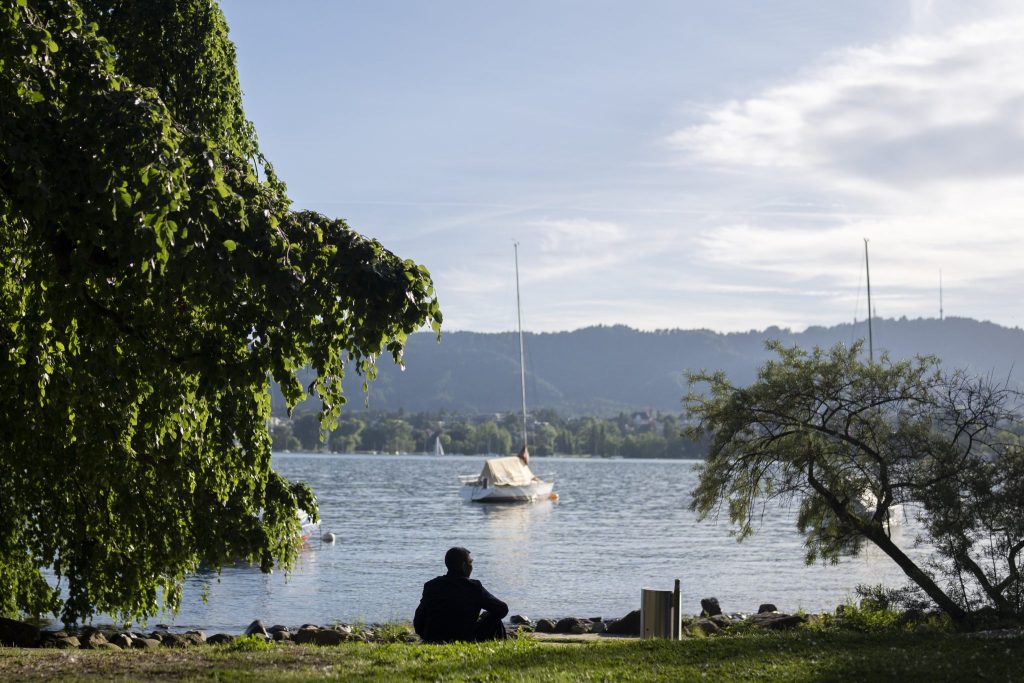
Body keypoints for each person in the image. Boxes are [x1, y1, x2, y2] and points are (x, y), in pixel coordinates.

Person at [413, 547, 508, 643]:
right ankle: (501, 649)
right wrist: (485, 618)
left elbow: (418, 620)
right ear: (463, 566)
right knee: (496, 620)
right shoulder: (473, 587)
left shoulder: (432, 585)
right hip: (464, 638)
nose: (472, 567)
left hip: (434, 638)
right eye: (470, 563)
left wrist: (426, 636)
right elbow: (502, 608)